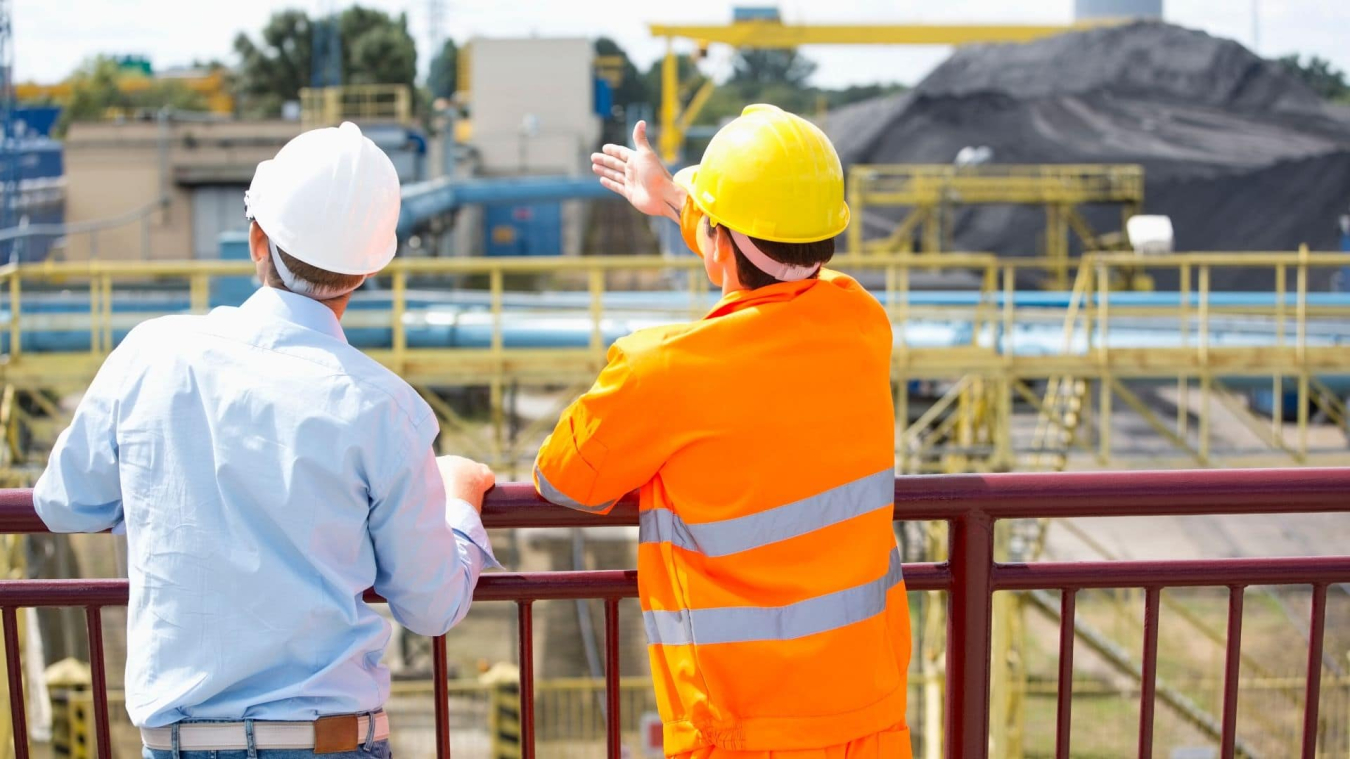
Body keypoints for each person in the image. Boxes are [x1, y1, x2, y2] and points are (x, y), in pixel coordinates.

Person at [33, 122, 499, 759]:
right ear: (365, 272)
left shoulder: (149, 354)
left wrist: (163, 498)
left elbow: (62, 504)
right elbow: (432, 605)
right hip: (329, 742)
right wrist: (460, 501)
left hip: (176, 744)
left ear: (258, 238)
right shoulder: (384, 409)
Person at [533, 105, 912, 759]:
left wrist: (688, 202)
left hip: (739, 734)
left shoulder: (662, 370)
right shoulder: (862, 322)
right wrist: (678, 198)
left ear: (716, 239)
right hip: (869, 724)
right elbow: (771, 254)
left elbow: (560, 480)